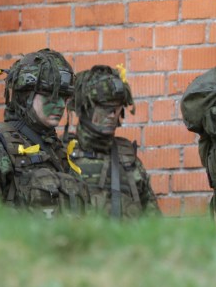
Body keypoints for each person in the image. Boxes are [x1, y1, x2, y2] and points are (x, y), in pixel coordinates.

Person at [0, 48, 89, 216]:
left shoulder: (58, 151)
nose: (61, 104)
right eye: (52, 95)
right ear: (26, 95)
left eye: (64, 97)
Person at [67, 65, 159, 218]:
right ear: (86, 108)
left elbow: (152, 220)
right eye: (105, 108)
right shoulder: (65, 156)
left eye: (116, 109)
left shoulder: (127, 158)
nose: (112, 115)